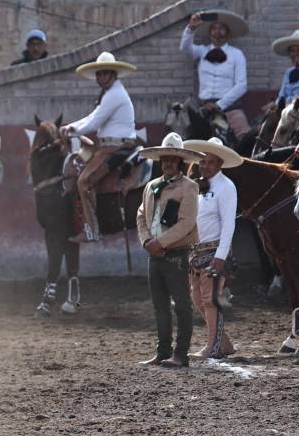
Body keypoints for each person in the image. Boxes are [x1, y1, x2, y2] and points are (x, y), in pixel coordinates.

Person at [136, 133, 203, 368]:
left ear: (180, 163)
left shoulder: (189, 187)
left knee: (182, 305)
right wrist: (147, 241)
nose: (168, 163)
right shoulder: (151, 186)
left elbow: (186, 223)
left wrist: (160, 243)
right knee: (160, 305)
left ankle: (181, 354)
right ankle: (163, 351)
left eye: (173, 159)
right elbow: (141, 215)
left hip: (175, 254)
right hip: (154, 254)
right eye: (165, 158)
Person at [59, 51, 139, 242]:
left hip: (115, 148)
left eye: (104, 73)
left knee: (83, 182)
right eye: (98, 74)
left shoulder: (114, 94)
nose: (100, 77)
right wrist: (71, 127)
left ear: (113, 74)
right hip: (109, 146)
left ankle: (91, 231)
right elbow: (92, 117)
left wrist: (71, 131)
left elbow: (94, 123)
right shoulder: (110, 93)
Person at [181, 137, 241, 359]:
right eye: (203, 162)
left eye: (210, 162)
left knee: (209, 299)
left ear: (219, 164)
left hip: (213, 251)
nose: (205, 166)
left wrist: (221, 256)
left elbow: (228, 224)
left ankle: (213, 347)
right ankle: (223, 343)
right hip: (196, 251)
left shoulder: (226, 187)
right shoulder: (196, 185)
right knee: (198, 299)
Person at [179, 10, 249, 140]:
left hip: (230, 108)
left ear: (228, 33)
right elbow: (185, 49)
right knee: (187, 136)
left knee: (245, 136)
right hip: (204, 108)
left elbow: (242, 85)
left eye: (221, 28)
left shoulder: (237, 54)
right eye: (214, 28)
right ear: (209, 32)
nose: (217, 31)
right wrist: (191, 28)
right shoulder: (202, 51)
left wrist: (219, 104)